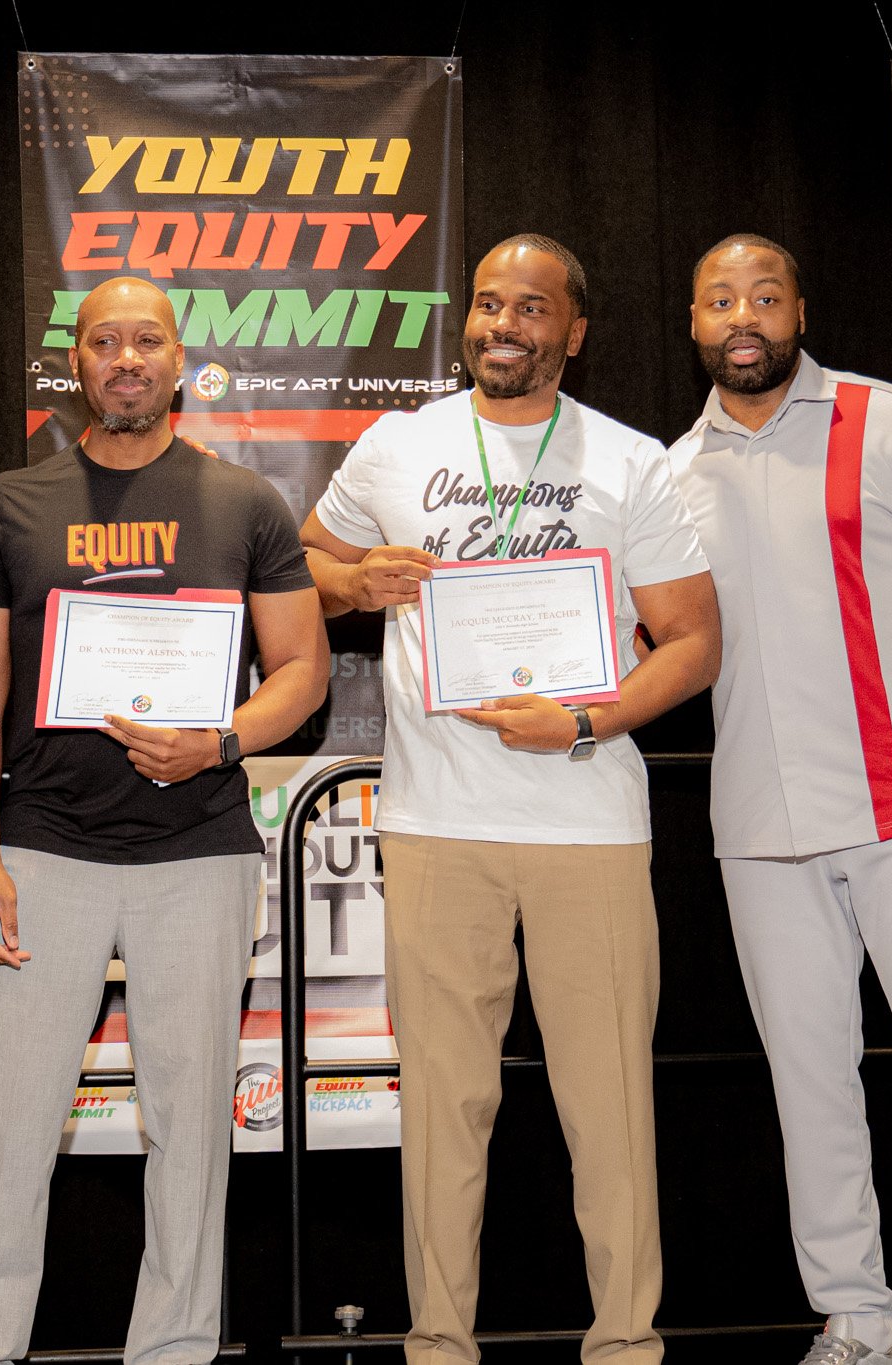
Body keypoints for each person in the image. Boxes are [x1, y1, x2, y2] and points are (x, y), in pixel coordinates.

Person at [300, 234, 721, 1365]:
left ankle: (626, 1345)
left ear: (571, 332)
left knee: (610, 1112)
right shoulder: (398, 444)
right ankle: (438, 1344)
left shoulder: (631, 462)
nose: (502, 325)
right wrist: (354, 581)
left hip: (587, 822)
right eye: (488, 304)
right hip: (435, 827)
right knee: (444, 1112)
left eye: (529, 309)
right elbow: (307, 562)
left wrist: (584, 720)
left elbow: (691, 643)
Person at [0, 276, 328, 1365]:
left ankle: (174, 1350)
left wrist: (224, 741)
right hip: (38, 852)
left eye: (143, 339)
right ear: (75, 364)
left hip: (197, 855)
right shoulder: (10, 504)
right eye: (101, 340)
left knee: (191, 1129)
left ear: (176, 359)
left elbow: (301, 670)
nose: (123, 358)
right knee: (7, 1131)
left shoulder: (244, 502)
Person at [667, 234, 892, 1365]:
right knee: (808, 1087)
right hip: (758, 829)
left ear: (796, 308)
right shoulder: (665, 474)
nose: (744, 316)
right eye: (719, 298)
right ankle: (856, 1315)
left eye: (764, 295)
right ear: (689, 323)